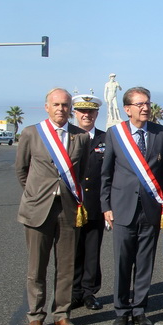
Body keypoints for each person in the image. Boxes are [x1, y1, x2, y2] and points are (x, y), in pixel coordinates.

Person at [16, 88, 89, 325]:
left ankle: (62, 314)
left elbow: (82, 173)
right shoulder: (31, 134)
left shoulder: (81, 137)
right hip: (38, 209)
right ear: (46, 107)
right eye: (56, 104)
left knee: (67, 266)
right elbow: (22, 171)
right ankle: (35, 316)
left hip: (68, 209)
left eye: (65, 105)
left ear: (71, 109)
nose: (61, 109)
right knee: (37, 267)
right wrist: (37, 194)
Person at [101, 87, 163, 325]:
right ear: (128, 109)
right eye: (140, 104)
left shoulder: (161, 133)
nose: (145, 108)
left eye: (147, 103)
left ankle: (140, 310)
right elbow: (107, 174)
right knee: (123, 262)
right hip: (122, 208)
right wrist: (105, 206)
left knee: (145, 262)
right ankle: (121, 311)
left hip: (151, 209)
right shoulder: (115, 134)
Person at [71, 95, 107, 311]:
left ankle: (89, 292)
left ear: (96, 114)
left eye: (91, 111)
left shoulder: (105, 138)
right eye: (82, 111)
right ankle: (73, 292)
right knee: (72, 250)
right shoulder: (68, 137)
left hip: (95, 203)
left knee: (92, 250)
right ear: (75, 113)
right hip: (71, 204)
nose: (87, 115)